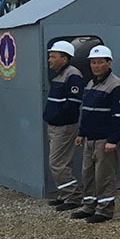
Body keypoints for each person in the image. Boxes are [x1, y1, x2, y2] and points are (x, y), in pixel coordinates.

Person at [70, 45, 120, 224]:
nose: (96, 66)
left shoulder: (116, 86)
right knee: (87, 174)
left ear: (108, 63)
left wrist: (113, 140)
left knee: (104, 175)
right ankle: (89, 205)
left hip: (104, 140)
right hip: (89, 138)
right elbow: (86, 111)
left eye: (100, 62)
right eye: (93, 62)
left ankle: (104, 210)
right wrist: (81, 133)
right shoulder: (90, 83)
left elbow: (119, 116)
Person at [42, 40, 85, 211]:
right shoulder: (60, 74)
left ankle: (73, 196)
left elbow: (73, 103)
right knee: (63, 162)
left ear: (65, 59)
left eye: (53, 56)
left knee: (57, 163)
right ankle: (64, 194)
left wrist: (57, 116)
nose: (49, 60)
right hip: (55, 125)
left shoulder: (73, 75)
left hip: (64, 127)